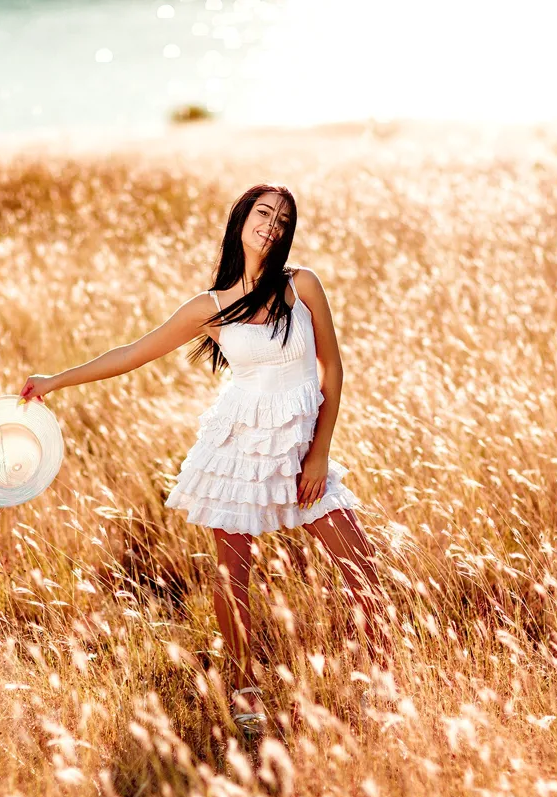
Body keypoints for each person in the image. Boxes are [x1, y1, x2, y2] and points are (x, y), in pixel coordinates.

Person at [20, 184, 395, 732]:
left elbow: (331, 368)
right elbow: (133, 353)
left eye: (282, 219)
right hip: (237, 448)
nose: (271, 225)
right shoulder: (212, 307)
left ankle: (380, 690)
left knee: (362, 568)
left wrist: (319, 454)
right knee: (233, 578)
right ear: (241, 220)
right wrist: (55, 380)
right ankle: (244, 695)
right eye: (263, 213)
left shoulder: (302, 285)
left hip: (300, 449)